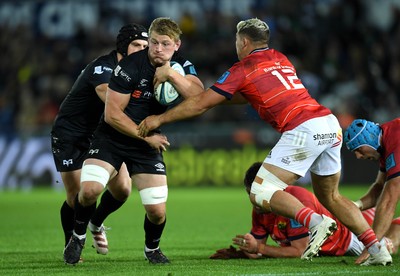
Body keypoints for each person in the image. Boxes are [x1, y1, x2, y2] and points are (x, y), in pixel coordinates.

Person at [137, 18, 392, 266]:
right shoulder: (280, 59)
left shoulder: (244, 68)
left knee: (260, 191)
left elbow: (202, 104)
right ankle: (376, 248)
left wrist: (159, 119)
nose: (236, 46)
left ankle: (315, 222)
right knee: (332, 196)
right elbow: (239, 95)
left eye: (237, 41)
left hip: (302, 127)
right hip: (328, 122)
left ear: (244, 41)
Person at [62, 17, 204, 265]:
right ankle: (77, 236)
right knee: (89, 191)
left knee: (157, 212)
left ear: (177, 45)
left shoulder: (181, 65)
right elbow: (112, 114)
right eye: (154, 42)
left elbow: (199, 97)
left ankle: (152, 250)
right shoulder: (129, 66)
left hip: (145, 145)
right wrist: (147, 135)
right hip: (113, 137)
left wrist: (171, 74)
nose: (158, 49)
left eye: (165, 44)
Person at [51, 23, 148, 257]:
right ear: (124, 46)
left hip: (102, 135)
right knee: (77, 198)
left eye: (146, 46)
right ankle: (72, 245)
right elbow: (109, 98)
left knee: (123, 189)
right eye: (137, 45)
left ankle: (95, 223)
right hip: (71, 135)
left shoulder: (139, 70)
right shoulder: (103, 67)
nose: (142, 50)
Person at [209, 162, 400, 259]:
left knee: (389, 246)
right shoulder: (260, 208)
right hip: (337, 219)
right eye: (252, 194)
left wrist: (259, 249)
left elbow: (299, 250)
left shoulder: (297, 201)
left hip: (348, 237)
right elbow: (257, 248)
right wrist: (244, 251)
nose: (257, 201)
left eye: (259, 193)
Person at [344, 118, 400, 264]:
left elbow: (388, 202)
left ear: (369, 139)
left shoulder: (396, 140)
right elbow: (379, 187)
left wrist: (370, 248)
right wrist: (356, 206)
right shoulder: (385, 142)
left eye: (359, 150)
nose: (358, 156)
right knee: (395, 231)